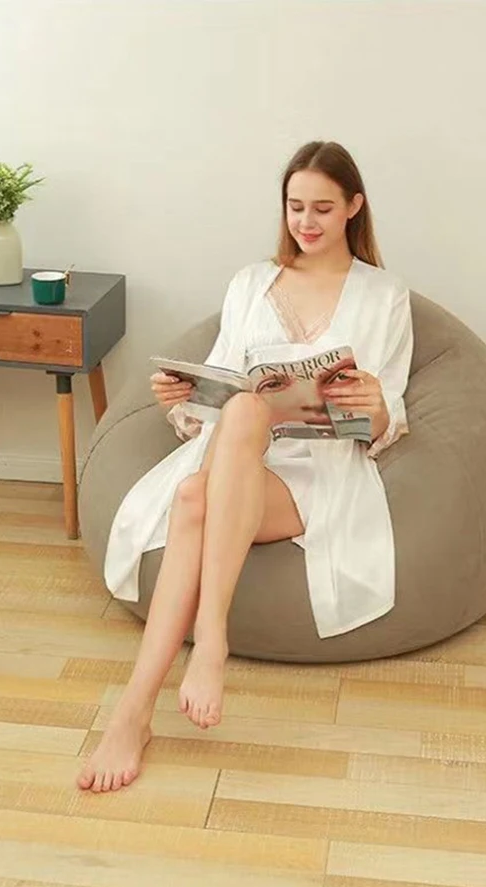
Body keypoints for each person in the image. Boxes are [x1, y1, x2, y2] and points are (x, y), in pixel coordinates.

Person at [78, 140, 414, 794]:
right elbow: (222, 386)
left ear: (354, 206)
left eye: (322, 208)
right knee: (235, 424)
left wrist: (375, 405)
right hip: (238, 450)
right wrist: (181, 400)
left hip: (316, 471)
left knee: (195, 496)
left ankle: (163, 683)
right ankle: (180, 669)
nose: (306, 221)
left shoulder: (384, 294)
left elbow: (387, 415)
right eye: (295, 206)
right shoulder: (250, 283)